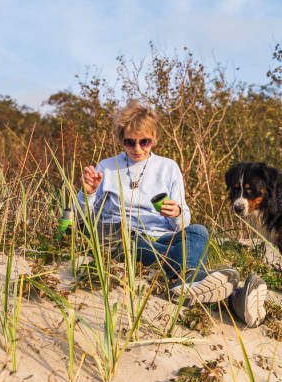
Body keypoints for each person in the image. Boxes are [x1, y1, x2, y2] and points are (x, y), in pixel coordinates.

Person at [76, 99, 267, 327]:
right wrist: (88, 192)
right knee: (141, 242)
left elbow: (182, 223)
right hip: (123, 236)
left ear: (154, 139)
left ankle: (195, 284)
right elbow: (82, 218)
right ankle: (233, 297)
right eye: (130, 142)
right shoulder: (106, 167)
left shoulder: (168, 167)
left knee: (197, 231)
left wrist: (176, 212)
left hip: (161, 236)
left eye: (144, 142)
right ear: (121, 139)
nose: (137, 148)